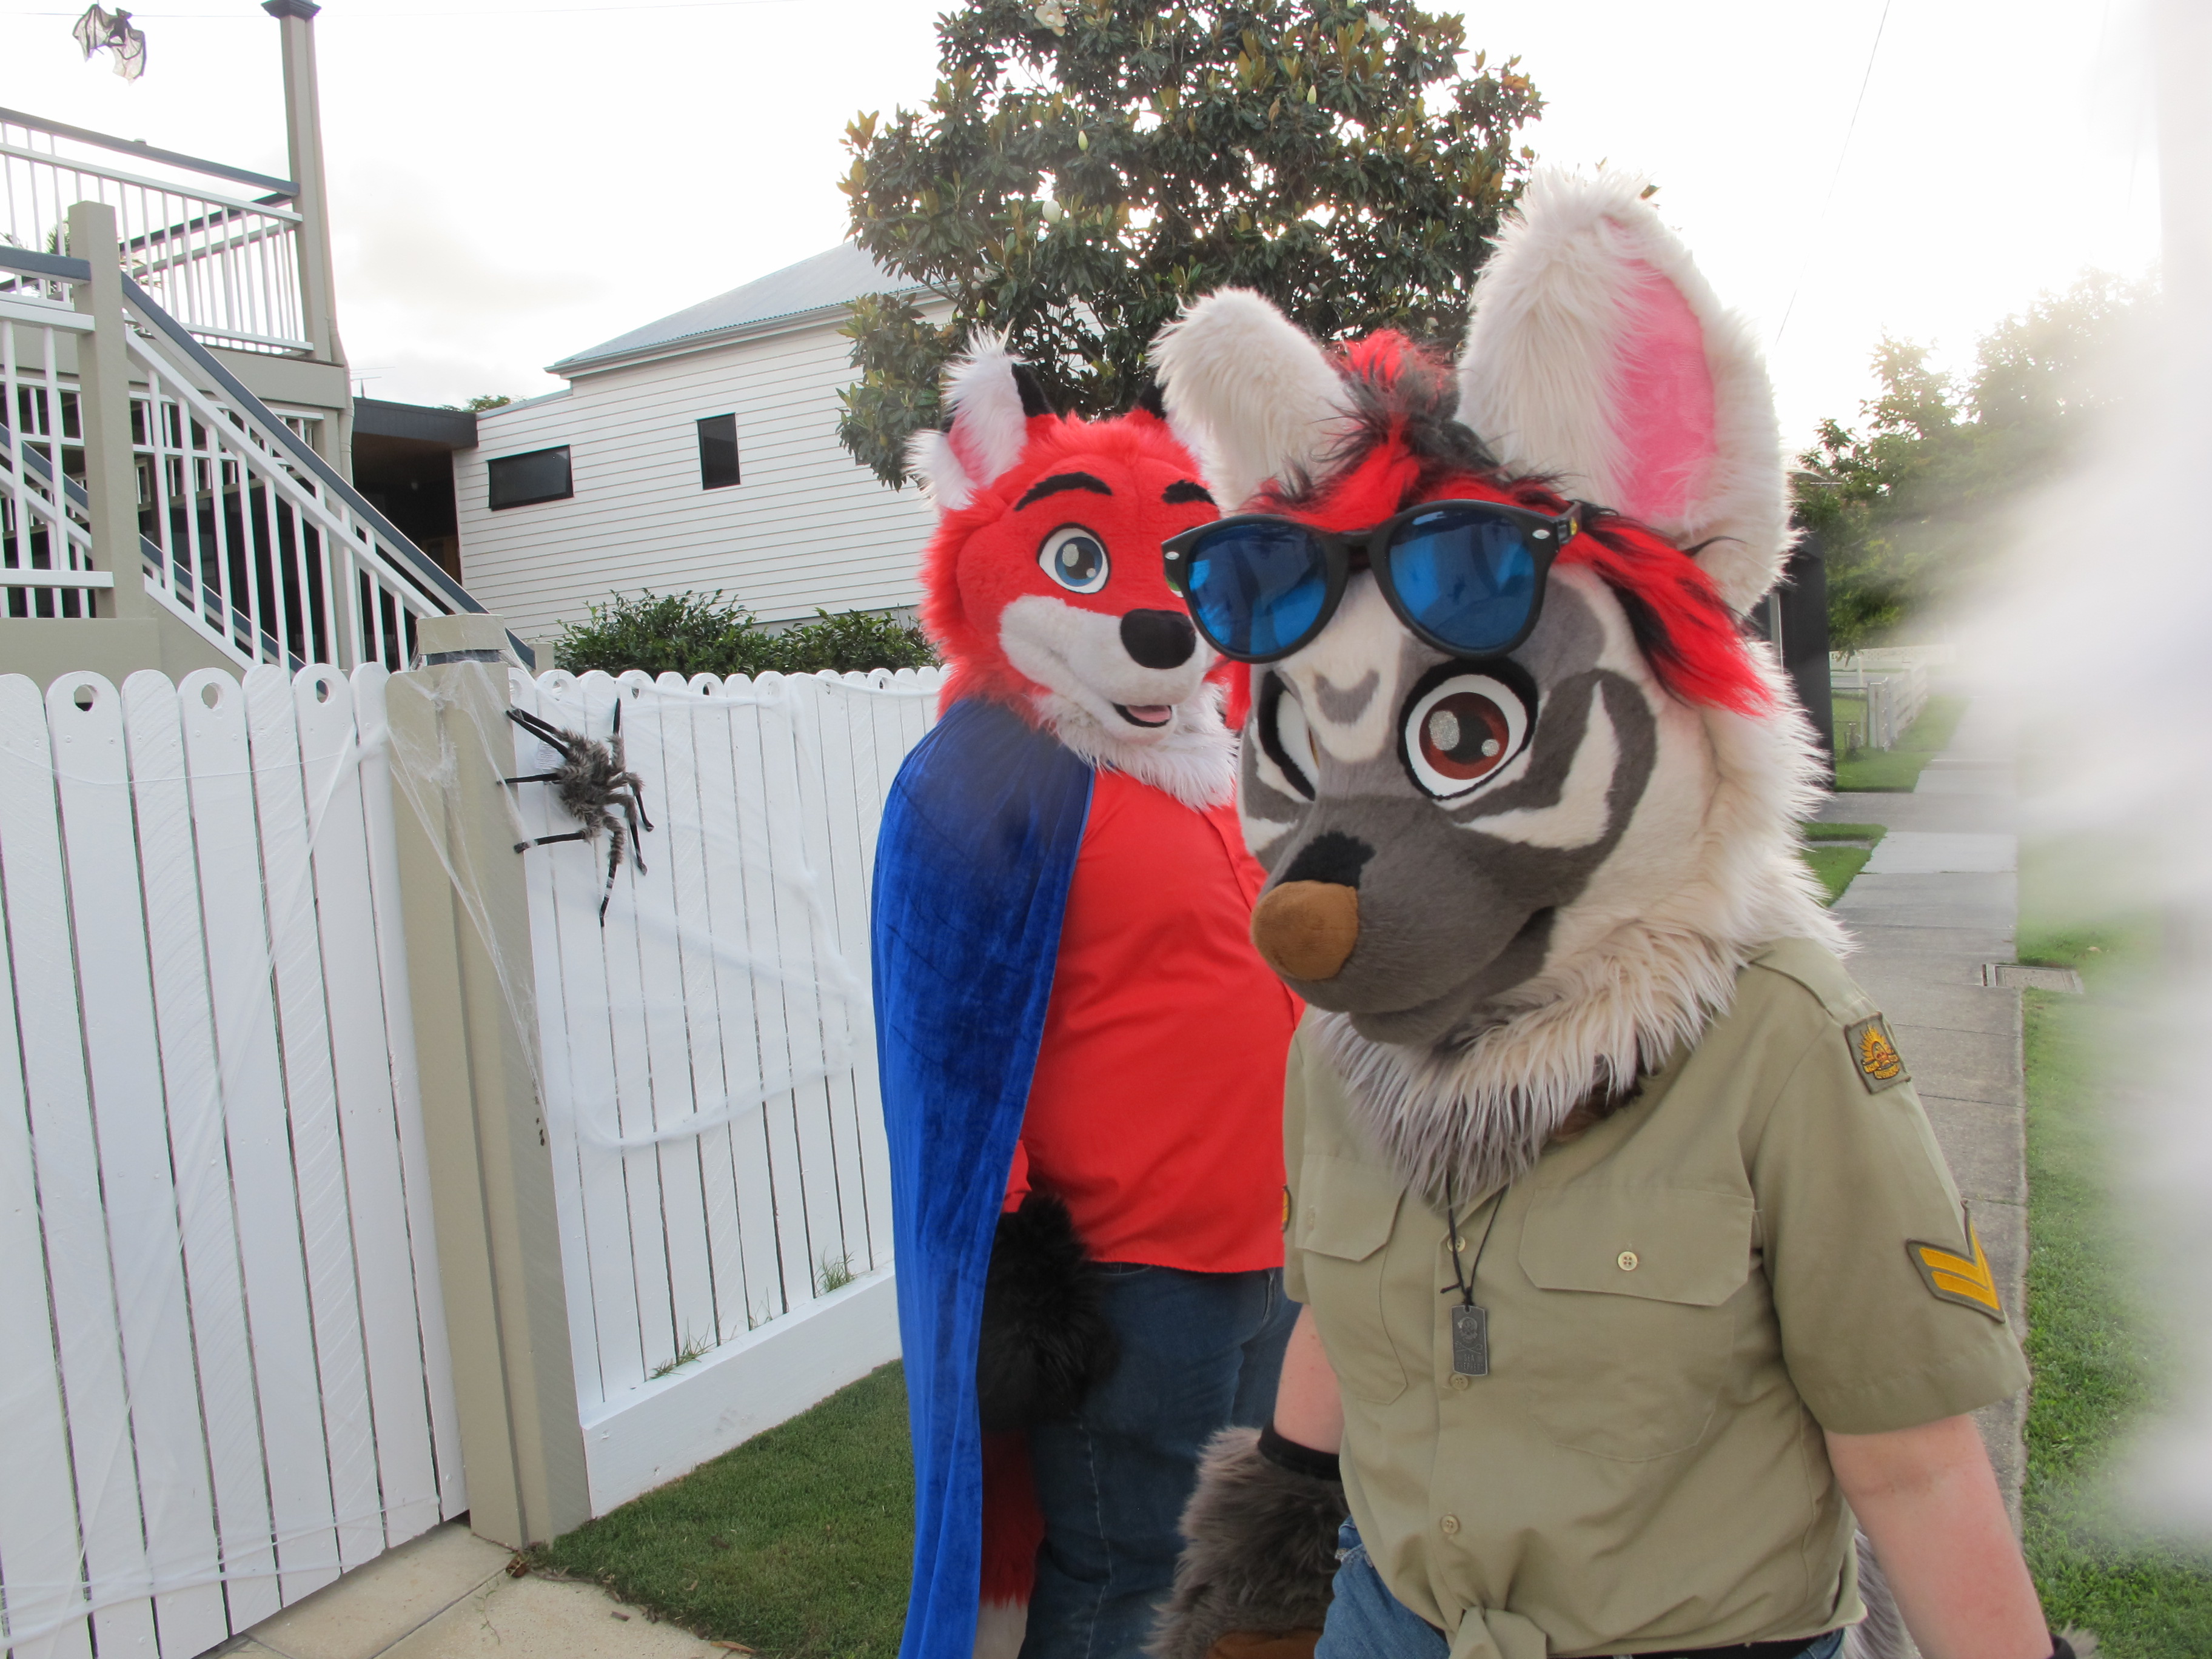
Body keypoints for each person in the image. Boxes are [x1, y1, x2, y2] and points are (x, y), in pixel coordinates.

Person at [1143, 172, 2068, 1659]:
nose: (1314, 908)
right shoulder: (1344, 1040)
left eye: (1461, 737)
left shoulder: (1782, 1043)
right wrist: (1259, 1580)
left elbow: (1912, 1461)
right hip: (1393, 1621)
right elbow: (1336, 1331)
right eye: (1311, 750)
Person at [872, 341, 1302, 1659]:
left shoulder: (1211, 758)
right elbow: (946, 1038)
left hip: (1277, 1246)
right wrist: (1015, 1262)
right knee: (1125, 1572)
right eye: (1084, 560)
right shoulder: (993, 776)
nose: (1152, 613)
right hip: (1134, 1273)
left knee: (1246, 1559)